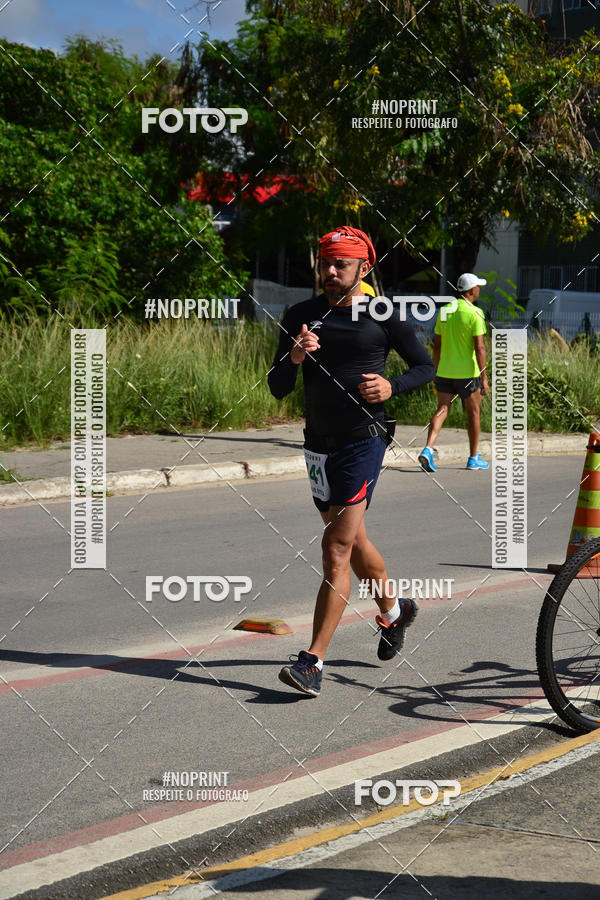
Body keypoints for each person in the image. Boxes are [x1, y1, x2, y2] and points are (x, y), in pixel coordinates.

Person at [268, 226, 435, 696]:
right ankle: (394, 611)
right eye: (325, 263)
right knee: (354, 540)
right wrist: (295, 357)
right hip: (319, 444)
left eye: (340, 264)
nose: (330, 272)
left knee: (335, 549)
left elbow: (425, 366)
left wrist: (392, 387)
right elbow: (277, 385)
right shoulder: (301, 314)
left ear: (365, 268)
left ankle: (311, 663)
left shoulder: (384, 313)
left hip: (365, 440)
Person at [418, 272, 489, 473]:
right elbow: (480, 348)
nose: (479, 290)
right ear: (472, 290)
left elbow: (437, 345)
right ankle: (474, 458)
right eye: (478, 287)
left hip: (445, 371)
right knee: (473, 413)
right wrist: (484, 377)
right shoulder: (475, 313)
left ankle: (428, 448)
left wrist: (435, 369)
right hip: (468, 373)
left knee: (442, 409)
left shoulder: (445, 312)